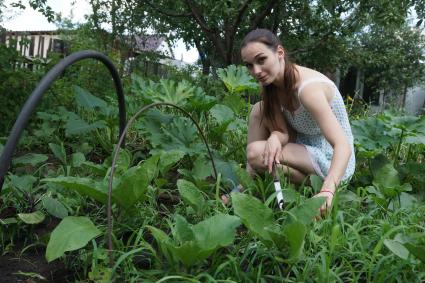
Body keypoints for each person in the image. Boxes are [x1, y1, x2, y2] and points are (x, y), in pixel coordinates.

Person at [222, 29, 355, 215]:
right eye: (249, 65)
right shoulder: (270, 85)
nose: (256, 71)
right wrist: (276, 136)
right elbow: (282, 131)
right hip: (302, 146)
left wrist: (328, 189)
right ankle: (250, 181)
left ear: (280, 53)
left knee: (256, 153)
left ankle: (318, 189)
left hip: (332, 158)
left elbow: (343, 145)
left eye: (261, 60)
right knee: (258, 110)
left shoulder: (308, 91)